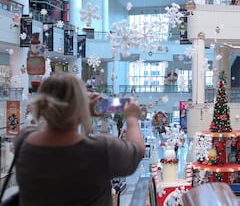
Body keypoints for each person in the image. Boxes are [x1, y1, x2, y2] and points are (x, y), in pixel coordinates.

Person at [14, 72, 145, 206]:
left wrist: (78, 111)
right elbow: (138, 151)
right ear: (79, 106)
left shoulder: (23, 140)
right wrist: (132, 118)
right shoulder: (101, 149)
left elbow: (50, 124)